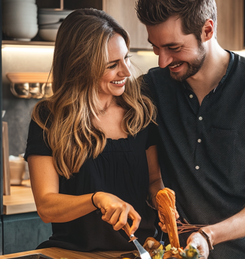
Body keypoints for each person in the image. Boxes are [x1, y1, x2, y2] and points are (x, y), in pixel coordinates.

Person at [136, 0, 245, 258]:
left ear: (207, 31)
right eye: (156, 47)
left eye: (173, 48)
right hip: (182, 252)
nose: (163, 61)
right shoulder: (152, 89)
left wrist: (210, 235)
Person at [24, 8, 163, 252]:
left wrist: (161, 198)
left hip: (140, 252)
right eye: (112, 65)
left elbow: (153, 180)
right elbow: (46, 206)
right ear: (81, 66)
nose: (126, 72)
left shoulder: (140, 112)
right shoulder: (49, 119)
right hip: (72, 253)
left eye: (126, 58)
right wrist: (95, 199)